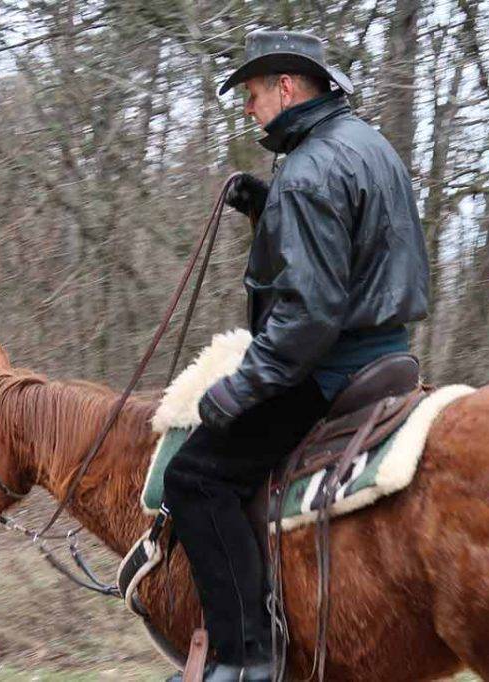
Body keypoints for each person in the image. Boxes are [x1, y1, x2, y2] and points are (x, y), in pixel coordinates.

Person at [163, 28, 429, 682]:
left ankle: (246, 658)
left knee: (196, 478)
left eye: (253, 95)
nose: (250, 109)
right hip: (388, 351)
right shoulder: (368, 145)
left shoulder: (310, 168)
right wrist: (269, 209)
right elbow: (356, 251)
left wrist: (239, 389)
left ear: (287, 87)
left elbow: (310, 315)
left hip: (330, 365)